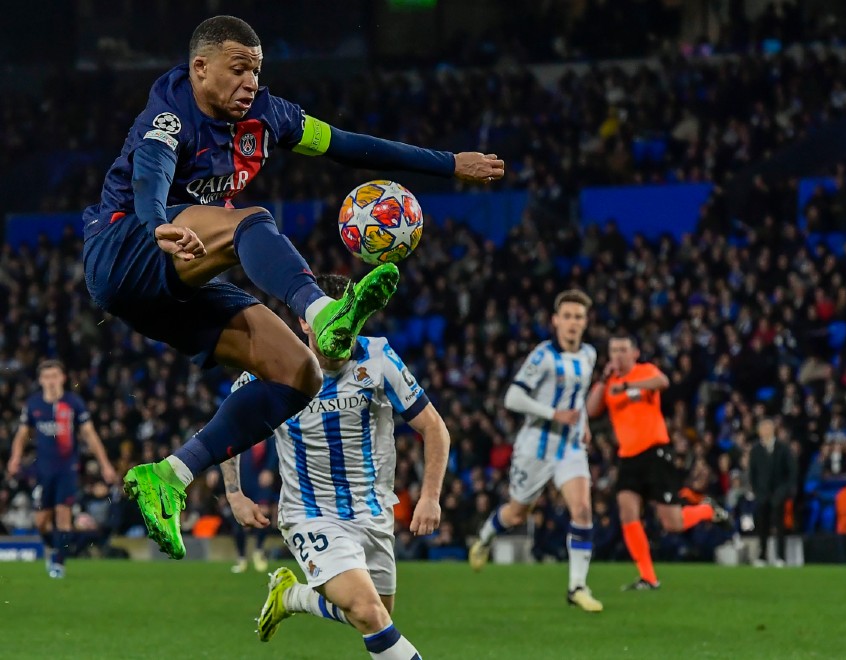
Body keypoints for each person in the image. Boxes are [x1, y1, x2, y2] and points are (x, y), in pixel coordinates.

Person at [81, 15, 502, 560]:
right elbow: (150, 172)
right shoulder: (168, 112)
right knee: (251, 221)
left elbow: (349, 145)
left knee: (300, 374)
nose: (250, 82)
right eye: (238, 69)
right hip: (125, 248)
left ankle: (169, 476)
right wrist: (157, 221)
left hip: (178, 276)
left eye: (256, 70)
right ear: (200, 68)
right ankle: (322, 311)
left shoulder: (270, 116)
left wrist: (448, 164)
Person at [221, 274, 450, 659]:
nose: (343, 329)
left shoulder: (377, 358)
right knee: (368, 613)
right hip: (310, 514)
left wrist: (430, 496)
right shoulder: (274, 366)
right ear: (305, 322)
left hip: (372, 512)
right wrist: (234, 493)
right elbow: (227, 425)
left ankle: (291, 596)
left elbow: (433, 427)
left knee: (378, 614)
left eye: (350, 315)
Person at [468, 290, 603, 613]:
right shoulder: (542, 356)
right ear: (555, 321)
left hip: (570, 446)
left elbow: (578, 397)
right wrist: (553, 414)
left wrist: (583, 423)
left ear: (585, 322)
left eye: (578, 317)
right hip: (536, 447)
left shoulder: (589, 354)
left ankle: (577, 587)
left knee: (582, 510)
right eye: (567, 316)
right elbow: (512, 398)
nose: (572, 323)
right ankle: (485, 537)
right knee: (517, 513)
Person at [585, 334, 727, 591]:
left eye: (623, 350)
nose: (617, 355)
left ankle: (706, 510)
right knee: (627, 512)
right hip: (627, 457)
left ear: (634, 353)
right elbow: (591, 410)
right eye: (614, 350)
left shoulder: (644, 371)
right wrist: (604, 380)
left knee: (672, 523)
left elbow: (663, 381)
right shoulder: (609, 382)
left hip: (655, 453)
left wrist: (628, 386)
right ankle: (648, 577)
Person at [6, 360, 118, 578]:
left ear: (63, 378)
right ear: (40, 380)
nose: (51, 381)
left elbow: (90, 435)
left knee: (63, 516)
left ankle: (59, 563)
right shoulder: (34, 404)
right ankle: (54, 548)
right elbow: (22, 434)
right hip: (43, 471)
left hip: (67, 469)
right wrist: (15, 457)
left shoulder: (73, 403)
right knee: (41, 522)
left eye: (55, 376)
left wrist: (105, 464)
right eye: (47, 377)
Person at [748, 418, 797, 567]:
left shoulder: (783, 448)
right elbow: (752, 474)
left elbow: (791, 471)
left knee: (779, 526)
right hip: (762, 495)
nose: (765, 431)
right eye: (763, 429)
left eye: (768, 428)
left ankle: (780, 557)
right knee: (761, 526)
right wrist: (757, 492)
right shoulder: (755, 450)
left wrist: (784, 491)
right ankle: (762, 556)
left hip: (778, 493)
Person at [228, 436, 278, 574]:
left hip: (261, 480)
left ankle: (258, 551)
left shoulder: (269, 435)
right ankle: (241, 557)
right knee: (239, 518)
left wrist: (270, 469)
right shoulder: (239, 432)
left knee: (263, 513)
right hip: (243, 480)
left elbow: (275, 451)